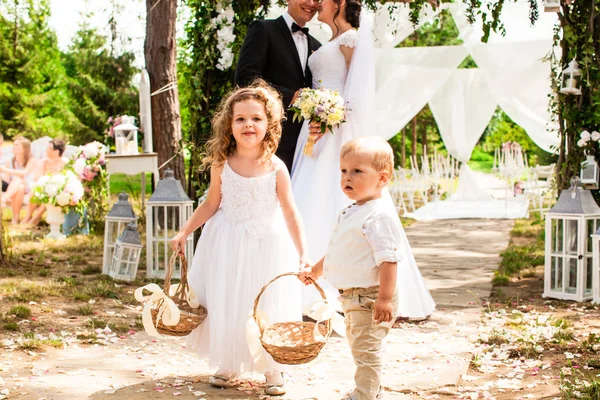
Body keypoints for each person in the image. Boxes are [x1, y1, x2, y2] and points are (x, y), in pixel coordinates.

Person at [291, 0, 435, 319]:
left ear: (339, 2)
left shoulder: (351, 39)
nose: (317, 3)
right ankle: (302, 282)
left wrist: (333, 113)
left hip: (337, 130)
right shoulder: (325, 41)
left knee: (334, 192)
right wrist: (316, 109)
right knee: (307, 197)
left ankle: (344, 287)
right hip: (316, 131)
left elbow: (357, 92)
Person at [170, 82, 308, 396]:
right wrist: (184, 231)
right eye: (240, 119)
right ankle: (229, 362)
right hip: (227, 241)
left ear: (268, 124)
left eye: (256, 118)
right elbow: (210, 203)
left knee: (267, 303)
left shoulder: (276, 167)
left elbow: (290, 212)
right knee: (228, 300)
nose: (248, 124)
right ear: (229, 126)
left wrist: (303, 253)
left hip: (267, 244)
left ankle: (273, 368)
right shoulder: (223, 164)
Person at [300, 137, 402, 400]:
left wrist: (385, 298)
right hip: (353, 297)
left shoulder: (378, 215)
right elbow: (338, 249)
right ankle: (371, 390)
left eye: (357, 171)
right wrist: (316, 271)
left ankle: (365, 395)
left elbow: (389, 260)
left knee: (366, 349)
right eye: (344, 171)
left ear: (382, 177)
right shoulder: (353, 210)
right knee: (360, 346)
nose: (347, 177)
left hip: (371, 297)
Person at [235, 0, 322, 172]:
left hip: (305, 142)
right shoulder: (263, 30)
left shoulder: (318, 47)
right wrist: (291, 96)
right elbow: (246, 78)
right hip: (269, 137)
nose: (311, 4)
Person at [22, 138, 68, 226]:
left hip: (59, 189)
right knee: (34, 192)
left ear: (56, 151)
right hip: (44, 186)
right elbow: (37, 178)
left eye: (49, 148)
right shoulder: (43, 162)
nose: (46, 150)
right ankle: (28, 216)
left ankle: (36, 218)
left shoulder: (65, 163)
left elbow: (66, 179)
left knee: (50, 195)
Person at [0, 137, 37, 224]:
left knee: (18, 179)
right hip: (16, 187)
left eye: (17, 145)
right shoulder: (10, 161)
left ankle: (4, 199)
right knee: (20, 187)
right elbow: (7, 179)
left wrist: (4, 170)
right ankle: (15, 218)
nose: (14, 147)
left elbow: (24, 173)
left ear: (25, 148)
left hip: (29, 186)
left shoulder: (32, 160)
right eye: (14, 145)